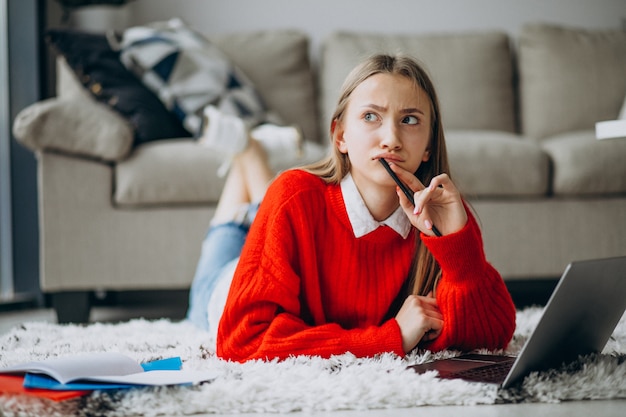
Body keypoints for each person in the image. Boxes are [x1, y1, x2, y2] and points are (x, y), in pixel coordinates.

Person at [187, 54, 517, 363]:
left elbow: (491, 339)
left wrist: (458, 249)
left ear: (429, 146)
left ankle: (247, 152)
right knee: (234, 226)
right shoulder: (293, 195)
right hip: (224, 290)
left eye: (410, 119)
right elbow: (242, 341)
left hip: (283, 240)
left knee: (266, 206)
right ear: (340, 135)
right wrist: (391, 337)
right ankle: (247, 151)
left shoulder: (442, 214)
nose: (391, 139)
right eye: (371, 116)